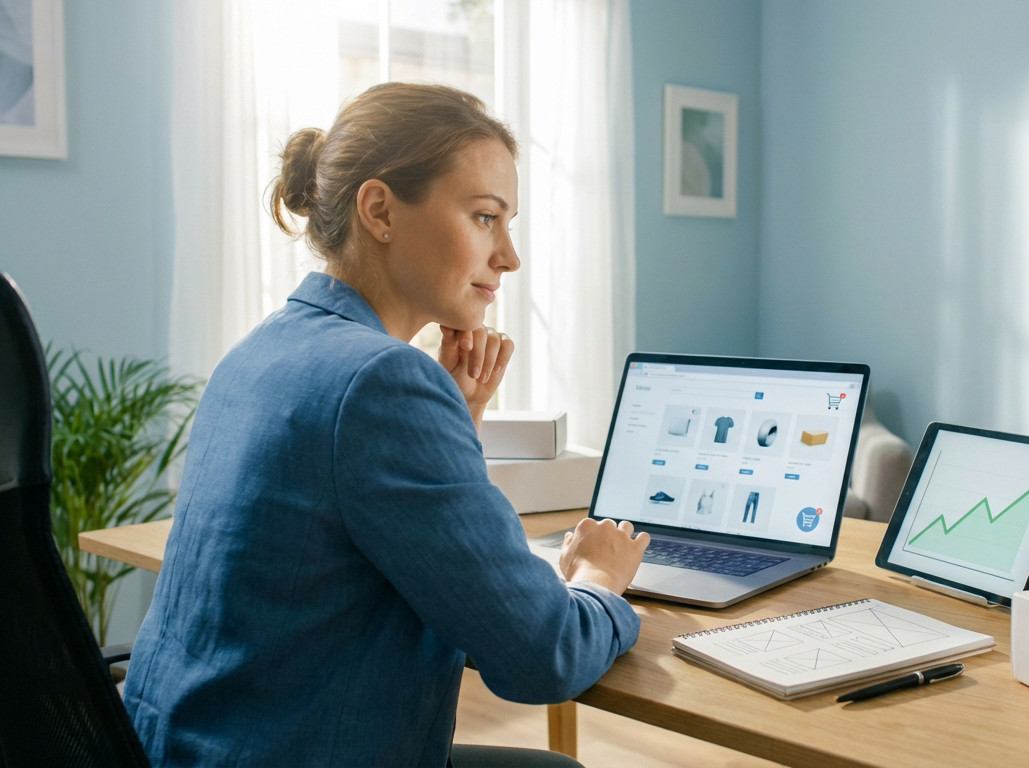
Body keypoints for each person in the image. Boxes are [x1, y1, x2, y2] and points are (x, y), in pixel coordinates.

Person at [122, 82, 649, 767]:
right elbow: (542, 656)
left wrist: (454, 423)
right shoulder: (381, 382)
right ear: (379, 210)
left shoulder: (257, 352)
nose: (510, 255)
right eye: (486, 217)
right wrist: (599, 581)